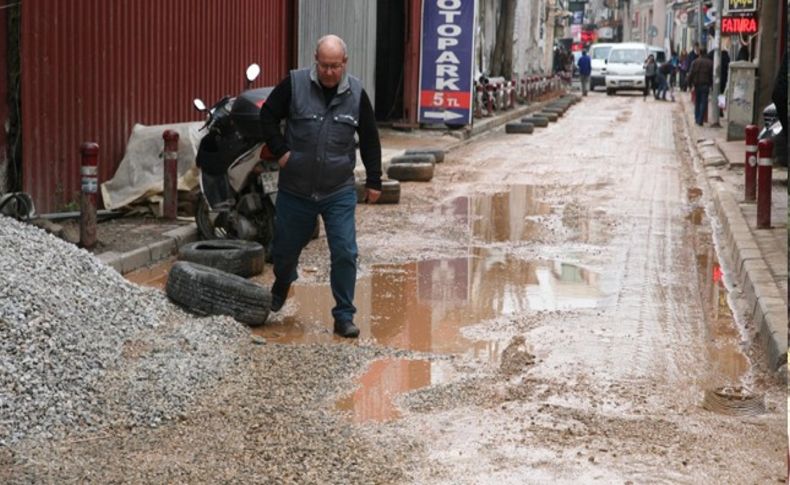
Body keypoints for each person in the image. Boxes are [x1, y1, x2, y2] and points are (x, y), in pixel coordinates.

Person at [259, 34, 382, 338]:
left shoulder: (356, 93)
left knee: (344, 251)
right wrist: (282, 151)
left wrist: (375, 179)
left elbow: (369, 137)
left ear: (345, 63)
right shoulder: (295, 84)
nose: (329, 72)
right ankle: (282, 283)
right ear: (316, 60)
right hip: (296, 189)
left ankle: (343, 316)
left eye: (335, 66)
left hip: (337, 189)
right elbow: (267, 116)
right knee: (285, 250)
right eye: (324, 65)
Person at [688, 50, 714, 125]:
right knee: (703, 103)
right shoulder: (710, 63)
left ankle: (696, 118)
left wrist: (689, 85)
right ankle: (700, 120)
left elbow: (691, 74)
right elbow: (712, 75)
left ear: (699, 53)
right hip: (706, 85)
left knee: (697, 102)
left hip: (697, 85)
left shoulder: (695, 62)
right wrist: (712, 85)